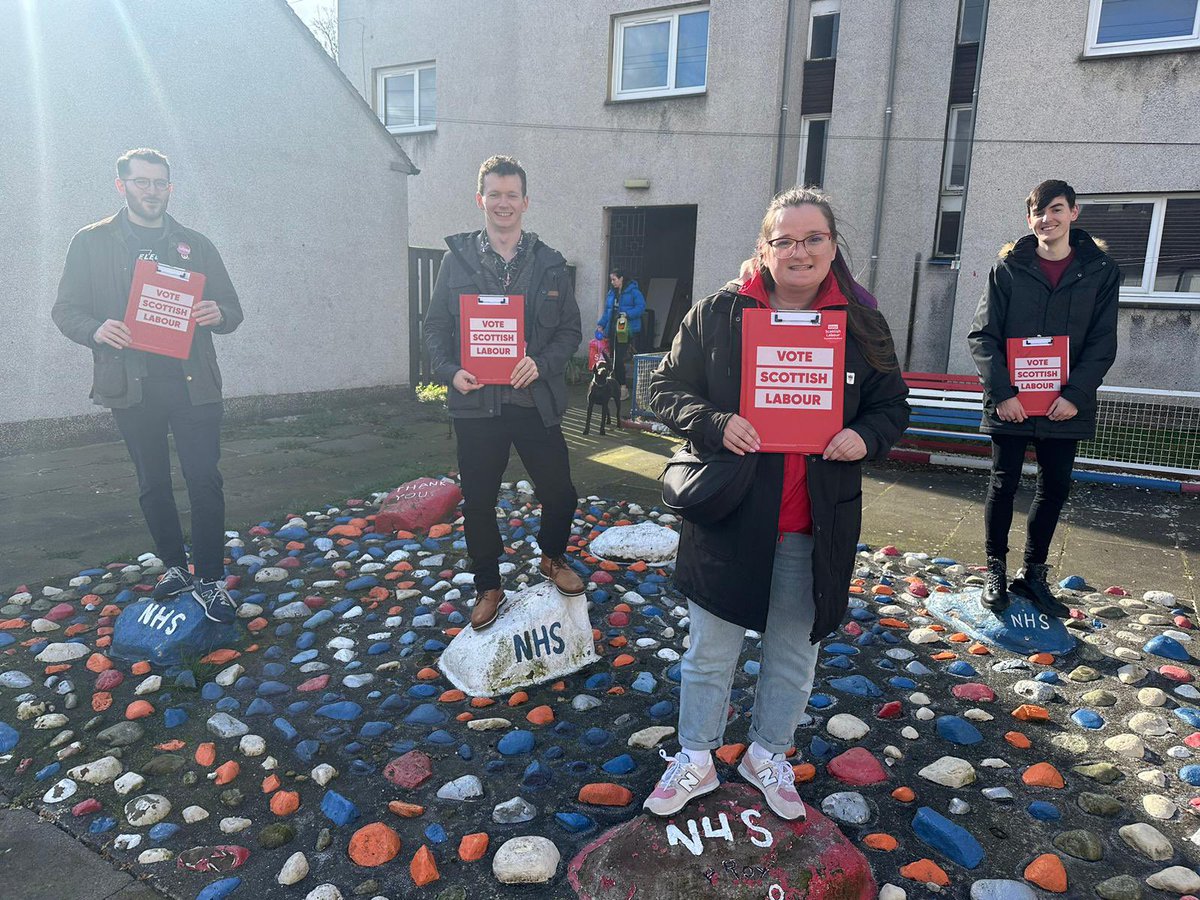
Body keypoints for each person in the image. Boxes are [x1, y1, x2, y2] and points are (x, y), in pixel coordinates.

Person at [645, 187, 909, 819]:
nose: (799, 251)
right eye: (784, 239)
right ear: (763, 247)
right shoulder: (717, 314)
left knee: (794, 653)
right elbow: (662, 388)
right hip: (730, 515)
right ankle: (696, 757)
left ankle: (768, 754)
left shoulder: (861, 324)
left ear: (833, 245)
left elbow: (892, 407)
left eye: (812, 238)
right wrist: (712, 421)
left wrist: (864, 435)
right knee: (710, 651)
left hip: (813, 524)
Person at [51, 148, 243, 623]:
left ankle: (212, 578)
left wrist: (218, 315)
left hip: (193, 384)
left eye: (161, 183)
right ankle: (175, 566)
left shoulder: (195, 243)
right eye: (142, 182)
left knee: (204, 480)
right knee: (153, 483)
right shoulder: (92, 242)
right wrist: (95, 330)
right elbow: (65, 310)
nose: (152, 191)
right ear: (123, 185)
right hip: (132, 387)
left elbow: (232, 309)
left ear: (169, 188)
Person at [424, 155, 585, 629]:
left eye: (511, 194)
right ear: (481, 200)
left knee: (560, 493)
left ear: (525, 202)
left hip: (533, 401)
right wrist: (450, 370)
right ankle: (488, 585)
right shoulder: (456, 262)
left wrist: (542, 363)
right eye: (494, 194)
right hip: (476, 405)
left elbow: (570, 333)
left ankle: (552, 556)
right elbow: (434, 329)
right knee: (478, 502)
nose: (503, 203)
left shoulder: (550, 265)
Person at [968, 179, 1119, 616]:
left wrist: (1075, 394)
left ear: (1074, 213)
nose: (1046, 219)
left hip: (1064, 406)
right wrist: (1003, 394)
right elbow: (983, 335)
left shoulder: (1101, 272)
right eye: (1038, 211)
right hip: (1011, 404)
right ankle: (995, 569)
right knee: (1003, 483)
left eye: (1055, 209)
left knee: (1054, 489)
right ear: (1028, 218)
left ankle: (1033, 575)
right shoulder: (1008, 268)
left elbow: (1101, 343)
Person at [596, 267, 646, 397]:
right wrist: (601, 325)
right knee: (612, 359)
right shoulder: (611, 293)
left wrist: (627, 314)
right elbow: (608, 311)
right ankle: (616, 387)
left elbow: (641, 308)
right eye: (611, 279)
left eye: (614, 279)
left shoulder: (634, 291)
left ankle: (623, 388)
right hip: (612, 329)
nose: (612, 282)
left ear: (621, 278)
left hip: (626, 330)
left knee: (619, 358)